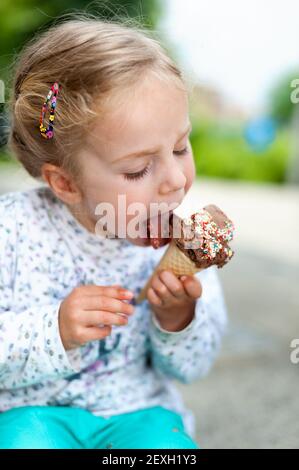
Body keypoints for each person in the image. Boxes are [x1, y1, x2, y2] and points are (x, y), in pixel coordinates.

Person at [0, 15, 228, 449]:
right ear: (65, 182)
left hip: (137, 413)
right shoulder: (11, 233)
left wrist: (178, 320)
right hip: (33, 418)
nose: (175, 180)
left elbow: (192, 368)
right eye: (138, 168)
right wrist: (55, 329)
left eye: (181, 147)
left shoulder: (186, 247)